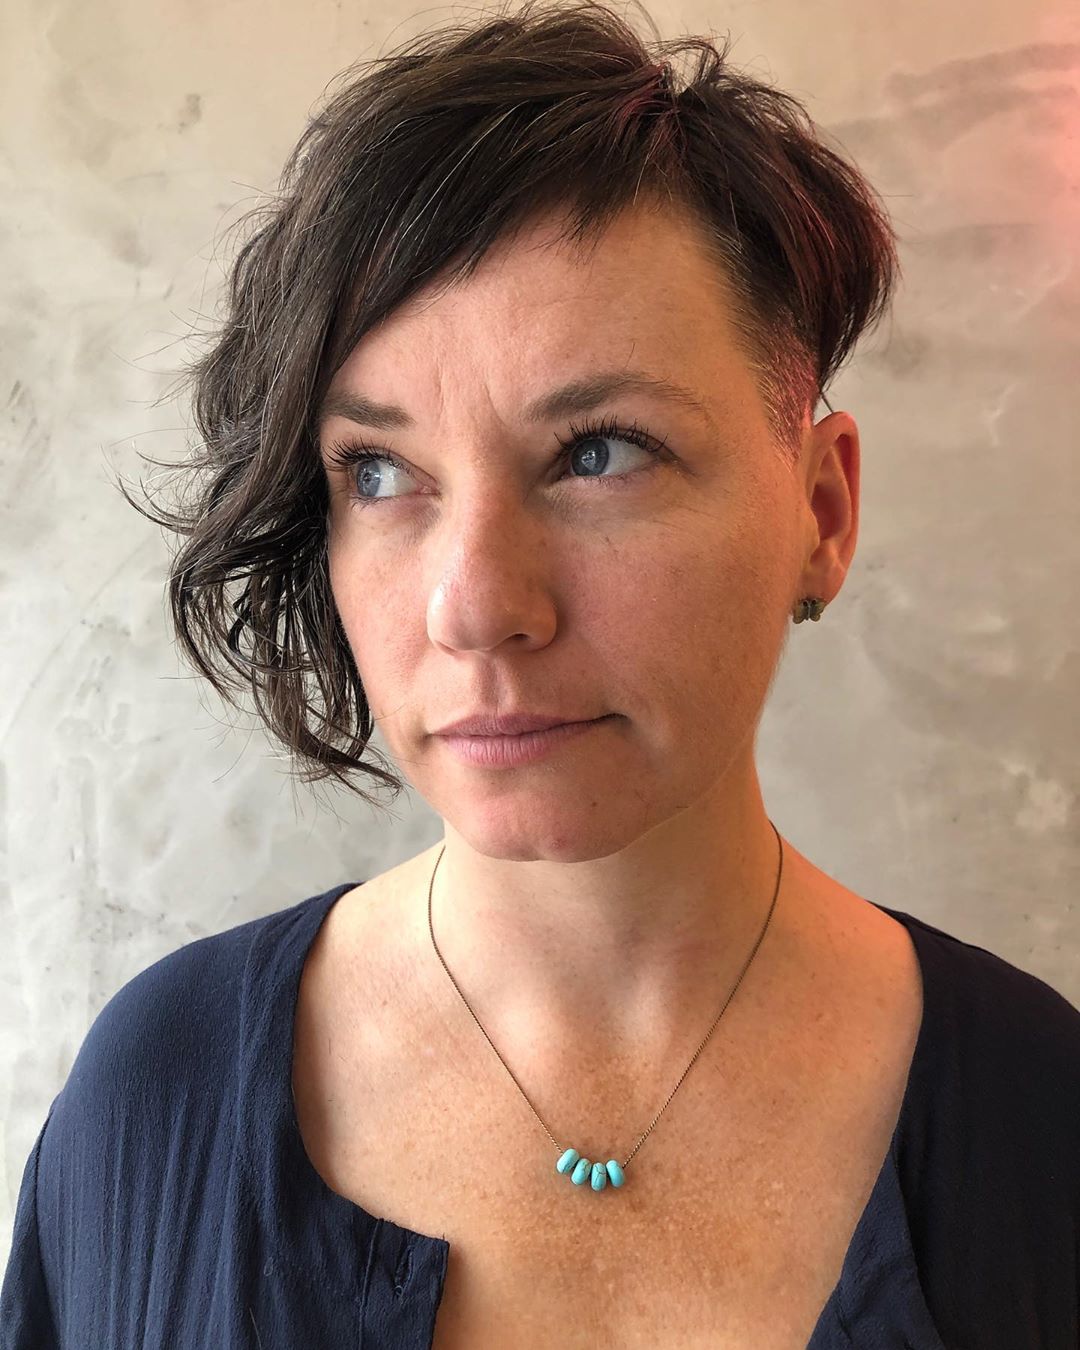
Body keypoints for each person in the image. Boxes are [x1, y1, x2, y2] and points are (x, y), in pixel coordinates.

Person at [3, 2, 1078, 1346]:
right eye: (379, 473)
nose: (473, 607)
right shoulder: (156, 1102)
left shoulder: (1043, 1130)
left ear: (822, 509)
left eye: (598, 452)